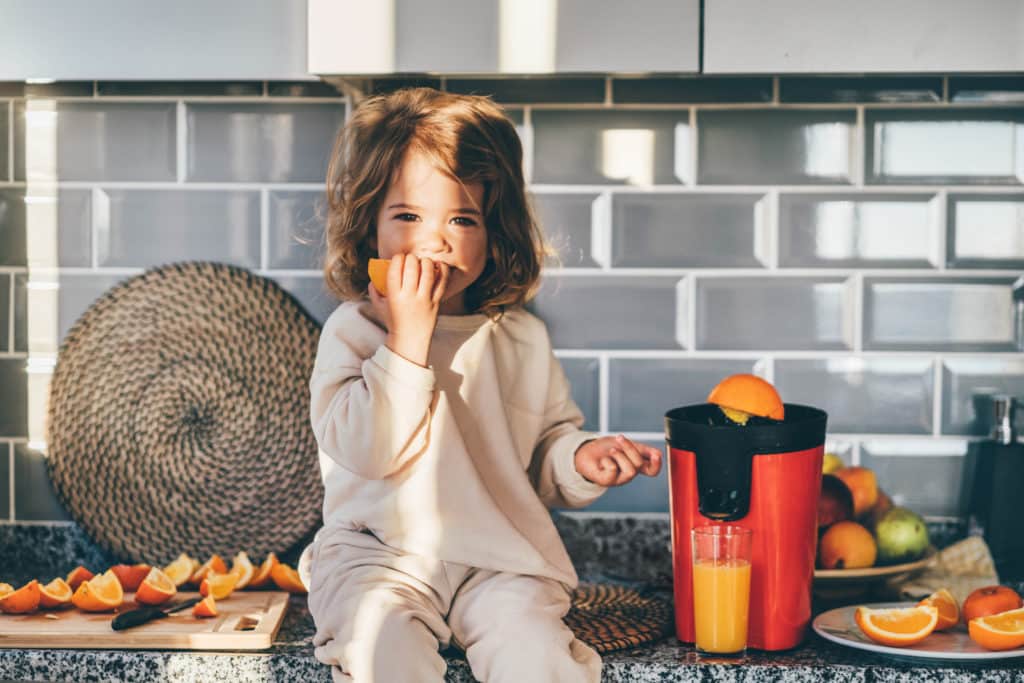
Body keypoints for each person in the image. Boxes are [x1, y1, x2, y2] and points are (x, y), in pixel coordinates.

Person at [298, 87, 662, 683]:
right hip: (376, 556)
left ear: (495, 232)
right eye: (409, 216)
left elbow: (543, 450)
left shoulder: (518, 338)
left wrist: (580, 458)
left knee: (536, 655)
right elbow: (367, 450)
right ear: (370, 226)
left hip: (498, 558)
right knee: (379, 645)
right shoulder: (355, 332)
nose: (435, 240)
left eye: (461, 219)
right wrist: (406, 341)